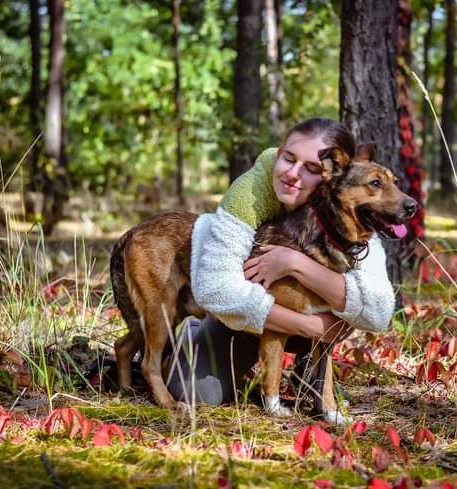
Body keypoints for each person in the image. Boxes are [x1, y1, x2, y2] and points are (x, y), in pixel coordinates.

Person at [166, 118, 396, 424]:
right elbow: (214, 289)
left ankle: (309, 376)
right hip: (238, 317)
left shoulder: (356, 214)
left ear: (333, 175)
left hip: (302, 316)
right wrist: (310, 326)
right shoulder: (249, 193)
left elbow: (379, 313)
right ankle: (194, 337)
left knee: (353, 303)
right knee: (198, 393)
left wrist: (295, 264)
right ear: (279, 152)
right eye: (288, 158)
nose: (292, 174)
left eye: (312, 169)